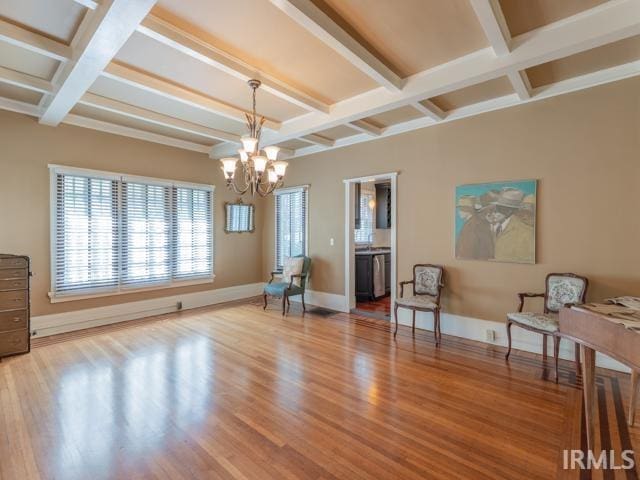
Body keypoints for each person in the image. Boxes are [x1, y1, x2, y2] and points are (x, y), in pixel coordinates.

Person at [490, 188, 535, 263]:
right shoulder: (496, 227)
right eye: (495, 208)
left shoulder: (526, 232)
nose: (494, 212)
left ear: (509, 211)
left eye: (499, 208)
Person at [455, 195, 495, 260]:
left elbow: (469, 250)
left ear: (469, 210)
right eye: (460, 209)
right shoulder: (473, 223)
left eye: (462, 209)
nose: (459, 212)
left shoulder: (473, 225)